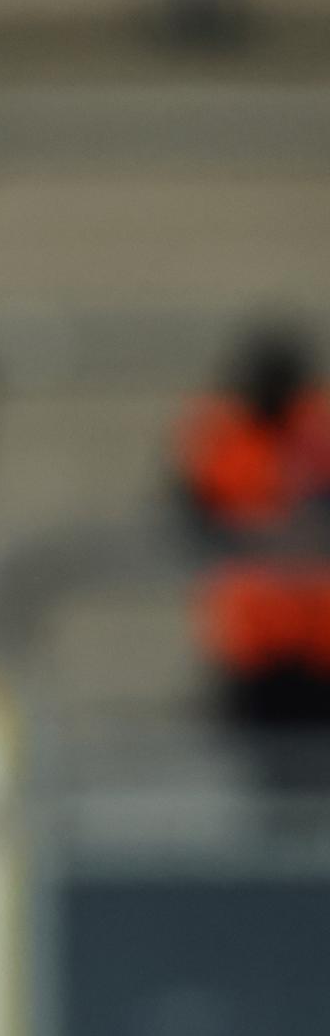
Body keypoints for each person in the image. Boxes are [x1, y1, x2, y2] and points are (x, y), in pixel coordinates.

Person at [177, 328, 330, 788]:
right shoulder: (223, 437)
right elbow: (189, 513)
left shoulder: (317, 433)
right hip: (254, 639)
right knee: (262, 777)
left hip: (318, 636)